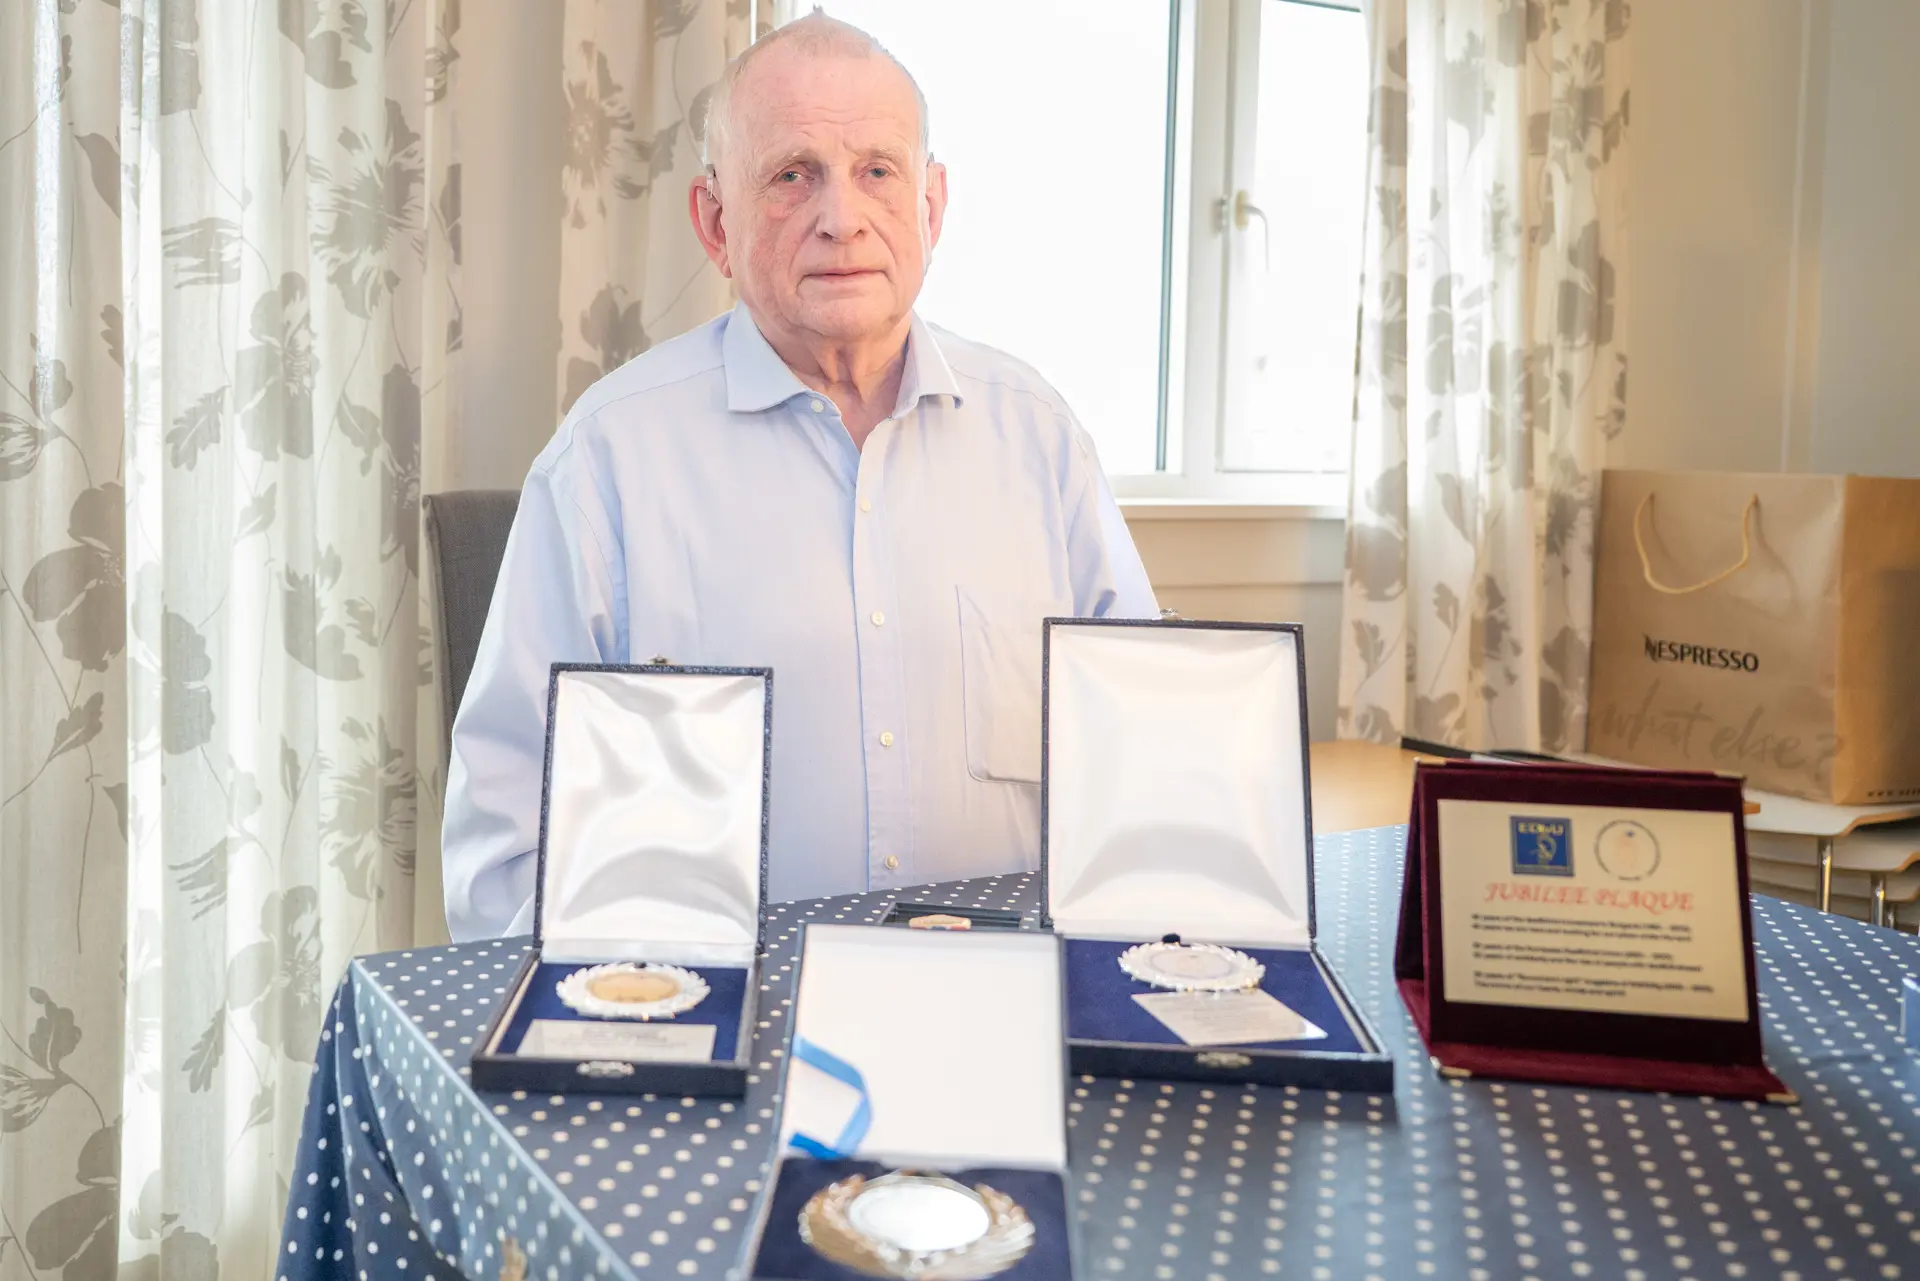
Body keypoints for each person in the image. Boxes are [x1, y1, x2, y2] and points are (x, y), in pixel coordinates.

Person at [441, 14, 1156, 940]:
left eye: (878, 172)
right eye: (792, 175)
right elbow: (506, 843)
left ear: (931, 208)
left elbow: (1143, 758)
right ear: (716, 222)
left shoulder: (1041, 438)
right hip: (721, 1009)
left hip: (1011, 990)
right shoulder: (605, 460)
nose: (841, 217)